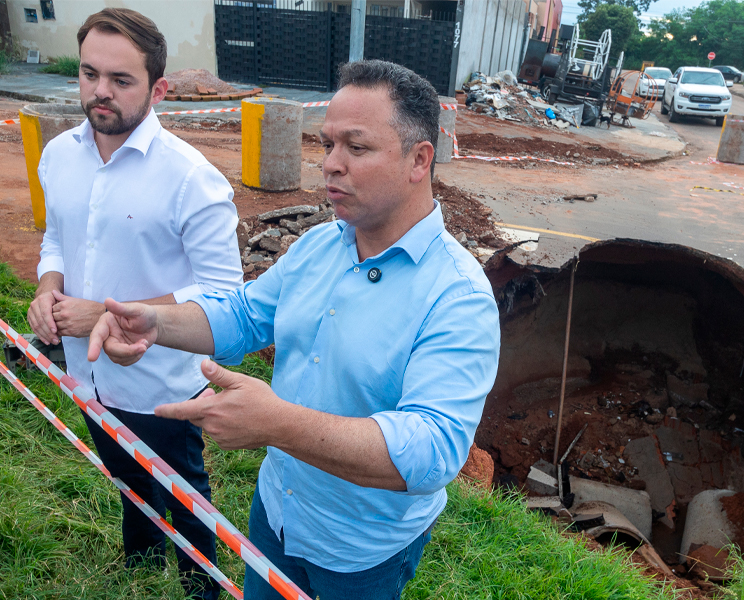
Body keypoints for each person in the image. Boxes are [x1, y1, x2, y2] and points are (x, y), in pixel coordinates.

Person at [87, 60, 501, 600]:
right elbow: (245, 316)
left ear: (419, 159)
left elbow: (433, 451)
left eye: (356, 147)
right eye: (327, 144)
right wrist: (154, 321)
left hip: (361, 552)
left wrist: (277, 423)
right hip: (277, 512)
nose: (330, 165)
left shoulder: (458, 296)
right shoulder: (319, 246)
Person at [27, 8, 242, 599]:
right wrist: (49, 287)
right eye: (90, 73)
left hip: (161, 383)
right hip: (86, 373)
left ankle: (203, 582)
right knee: (123, 475)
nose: (100, 91)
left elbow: (225, 295)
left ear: (159, 88)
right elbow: (56, 239)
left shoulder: (191, 179)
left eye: (121, 80)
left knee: (182, 488)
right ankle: (142, 561)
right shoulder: (58, 156)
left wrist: (104, 311)